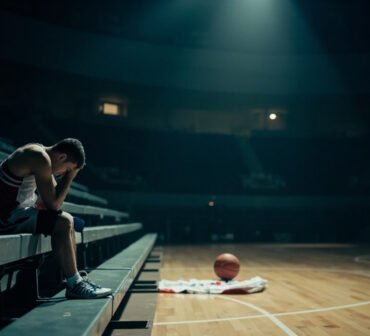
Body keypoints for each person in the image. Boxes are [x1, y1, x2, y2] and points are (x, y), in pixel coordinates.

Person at [0, 138, 112, 299]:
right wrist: (69, 178)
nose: (63, 174)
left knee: (68, 221)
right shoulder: (39, 157)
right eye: (67, 169)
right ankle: (75, 284)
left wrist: (64, 180)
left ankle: (76, 280)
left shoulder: (40, 155)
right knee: (64, 221)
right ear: (61, 157)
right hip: (5, 218)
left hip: (13, 214)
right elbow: (53, 204)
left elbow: (51, 204)